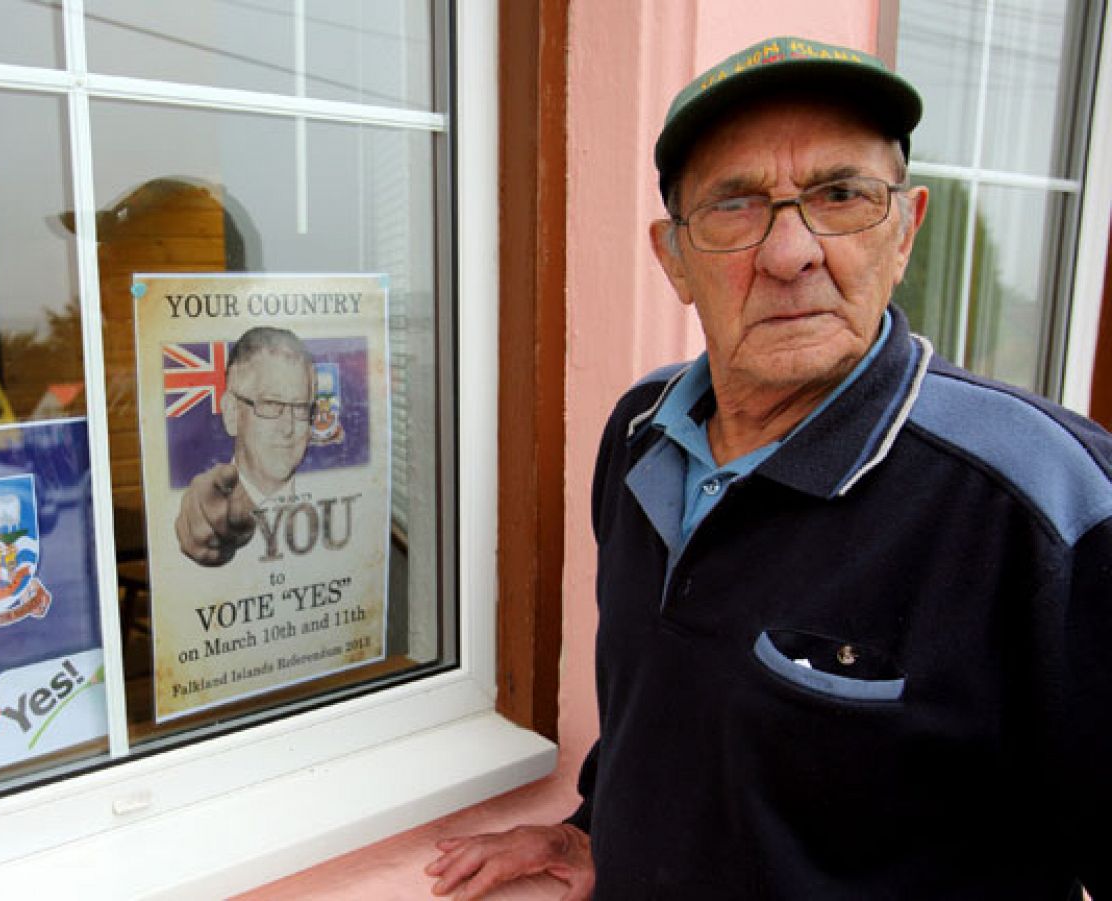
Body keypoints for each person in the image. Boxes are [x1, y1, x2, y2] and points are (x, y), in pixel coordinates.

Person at [427, 35, 1112, 900]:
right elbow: (671, 693)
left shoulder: (1047, 501)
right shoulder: (643, 431)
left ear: (906, 231)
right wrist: (595, 826)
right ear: (673, 256)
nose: (791, 253)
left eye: (840, 195)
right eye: (735, 207)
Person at [174, 325, 316, 566]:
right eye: (270, 404)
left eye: (301, 407)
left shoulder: (342, 495)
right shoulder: (198, 504)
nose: (288, 428)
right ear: (231, 413)